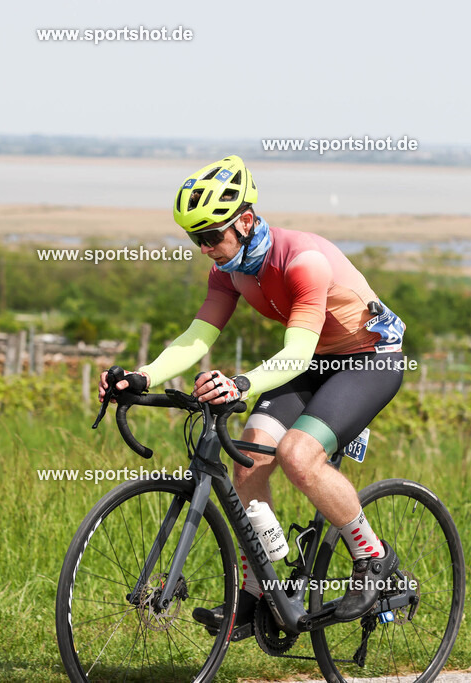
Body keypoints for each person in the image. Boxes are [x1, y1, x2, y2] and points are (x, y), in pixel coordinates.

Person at [99, 155, 406, 636]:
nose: (203, 249)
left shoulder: (303, 261)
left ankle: (374, 557)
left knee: (298, 457)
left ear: (244, 221)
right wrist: (143, 376)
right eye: (194, 239)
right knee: (247, 458)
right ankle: (257, 595)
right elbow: (198, 336)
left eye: (210, 236)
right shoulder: (228, 268)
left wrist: (240, 383)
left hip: (368, 359)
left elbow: (299, 351)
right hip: (315, 361)